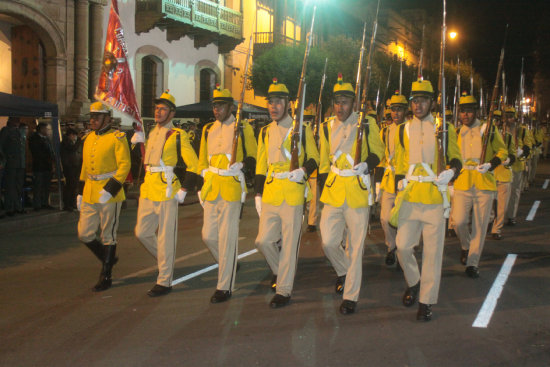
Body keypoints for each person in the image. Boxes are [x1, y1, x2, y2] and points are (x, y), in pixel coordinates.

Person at [392, 79, 462, 321]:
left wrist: (451, 172)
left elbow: (456, 158)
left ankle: (426, 300)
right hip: (410, 197)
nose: (417, 104)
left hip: (434, 197)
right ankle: (414, 281)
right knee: (402, 247)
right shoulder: (403, 129)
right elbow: (401, 163)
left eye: (422, 100)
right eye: (414, 100)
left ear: (432, 102)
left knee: (432, 254)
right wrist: (397, 184)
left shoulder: (445, 128)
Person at [318, 74, 384, 314]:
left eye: (345, 102)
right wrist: (322, 191)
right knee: (328, 242)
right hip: (333, 192)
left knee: (355, 247)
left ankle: (350, 295)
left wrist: (366, 164)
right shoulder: (326, 127)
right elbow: (324, 164)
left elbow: (379, 152)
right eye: (337, 102)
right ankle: (344, 271)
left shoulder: (366, 123)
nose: (340, 107)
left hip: (357, 191)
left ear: (354, 103)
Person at [254, 78, 319, 308]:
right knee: (263, 241)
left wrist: (303, 170)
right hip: (272, 191)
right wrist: (258, 194)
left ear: (288, 104)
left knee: (290, 245)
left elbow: (315, 158)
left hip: (293, 191)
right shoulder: (264, 132)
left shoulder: (301, 129)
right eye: (270, 102)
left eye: (278, 102)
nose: (273, 106)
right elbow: (261, 165)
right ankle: (280, 271)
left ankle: (284, 289)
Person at [133, 90, 199, 297]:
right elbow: (146, 162)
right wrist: (135, 144)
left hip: (167, 188)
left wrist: (184, 189)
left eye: (163, 109)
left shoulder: (178, 135)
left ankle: (165, 280)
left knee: (166, 238)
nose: (158, 112)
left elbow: (194, 164)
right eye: (157, 108)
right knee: (142, 233)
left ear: (172, 113)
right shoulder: (151, 132)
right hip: (148, 188)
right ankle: (166, 262)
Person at [197, 85, 257, 303]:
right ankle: (230, 262)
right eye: (214, 106)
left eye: (220, 106)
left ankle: (225, 286)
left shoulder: (242, 127)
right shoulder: (207, 130)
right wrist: (200, 181)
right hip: (212, 187)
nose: (216, 110)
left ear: (230, 107)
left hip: (232, 187)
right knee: (208, 236)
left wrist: (242, 165)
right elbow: (202, 159)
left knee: (227, 238)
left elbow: (253, 155)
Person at [77, 102, 131, 291]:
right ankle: (108, 257)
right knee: (84, 233)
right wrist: (79, 191)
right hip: (90, 190)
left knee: (108, 234)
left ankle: (106, 274)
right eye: (91, 117)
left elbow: (124, 165)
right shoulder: (89, 138)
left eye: (97, 117)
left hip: (110, 193)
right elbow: (85, 166)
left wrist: (109, 189)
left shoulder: (117, 138)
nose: (92, 120)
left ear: (107, 118)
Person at [452, 93, 507, 278]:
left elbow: (502, 150)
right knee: (458, 221)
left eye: (469, 111)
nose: (465, 115)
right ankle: (465, 246)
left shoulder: (488, 129)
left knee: (480, 225)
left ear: (476, 111)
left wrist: (491, 164)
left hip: (484, 182)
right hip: (462, 181)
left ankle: (473, 262)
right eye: (463, 112)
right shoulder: (457, 131)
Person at [379, 91, 408, 266]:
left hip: (405, 180)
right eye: (393, 109)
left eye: (399, 109)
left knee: (402, 219)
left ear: (405, 111)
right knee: (385, 218)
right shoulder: (384, 131)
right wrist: (376, 182)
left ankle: (402, 249)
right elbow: (382, 157)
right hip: (389, 180)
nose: (395, 113)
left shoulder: (410, 129)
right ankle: (391, 246)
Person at [504, 106, 532, 226]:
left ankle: (511, 216)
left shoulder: (522, 130)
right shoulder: (500, 129)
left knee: (514, 192)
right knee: (501, 193)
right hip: (503, 165)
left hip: (517, 165)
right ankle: (498, 216)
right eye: (506, 116)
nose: (509, 118)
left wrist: (523, 152)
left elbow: (528, 144)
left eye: (511, 116)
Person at [491, 110, 516, 240]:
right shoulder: (486, 136)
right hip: (488, 175)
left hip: (504, 174)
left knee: (502, 206)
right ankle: (489, 222)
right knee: (488, 205)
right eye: (493, 119)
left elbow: (513, 154)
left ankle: (497, 229)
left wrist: (509, 160)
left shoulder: (508, 137)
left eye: (497, 119)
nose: (495, 121)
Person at [0, 117, 26, 215]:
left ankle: (17, 207)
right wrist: (4, 160)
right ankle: (9, 208)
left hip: (19, 163)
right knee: (10, 187)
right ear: (10, 121)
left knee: (18, 187)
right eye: (15, 121)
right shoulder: (5, 131)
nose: (17, 123)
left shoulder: (18, 132)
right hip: (10, 163)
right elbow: (1, 146)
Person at [29, 122, 54, 211]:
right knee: (38, 186)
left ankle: (45, 202)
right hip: (39, 166)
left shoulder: (47, 139)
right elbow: (37, 152)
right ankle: (37, 204)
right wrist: (47, 157)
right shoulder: (34, 139)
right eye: (46, 129)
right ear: (41, 129)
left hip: (47, 166)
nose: (47, 131)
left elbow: (50, 150)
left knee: (46, 186)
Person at [61, 128, 82, 211]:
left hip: (75, 166)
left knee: (74, 186)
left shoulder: (72, 142)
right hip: (69, 167)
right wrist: (79, 140)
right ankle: (67, 204)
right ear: (70, 135)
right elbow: (73, 148)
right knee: (70, 186)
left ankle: (73, 203)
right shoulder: (65, 142)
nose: (75, 137)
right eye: (74, 135)